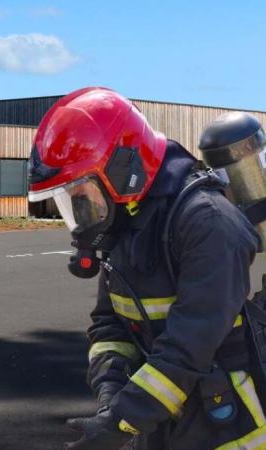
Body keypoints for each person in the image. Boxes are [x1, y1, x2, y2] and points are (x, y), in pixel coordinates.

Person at [28, 87, 264, 450]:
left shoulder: (208, 222)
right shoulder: (124, 224)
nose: (79, 212)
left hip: (227, 431)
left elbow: (191, 345)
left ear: (124, 168)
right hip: (158, 425)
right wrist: (110, 391)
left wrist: (121, 420)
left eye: (81, 192)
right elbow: (109, 324)